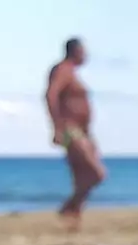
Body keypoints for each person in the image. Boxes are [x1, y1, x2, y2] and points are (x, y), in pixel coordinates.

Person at [45, 37, 106, 230]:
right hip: (70, 128)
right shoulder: (62, 70)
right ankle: (68, 208)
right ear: (75, 51)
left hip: (82, 131)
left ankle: (74, 221)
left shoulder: (73, 73)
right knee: (97, 174)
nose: (87, 55)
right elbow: (50, 95)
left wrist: (90, 135)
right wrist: (57, 127)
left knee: (81, 177)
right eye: (84, 51)